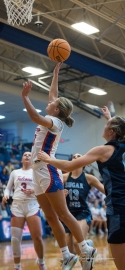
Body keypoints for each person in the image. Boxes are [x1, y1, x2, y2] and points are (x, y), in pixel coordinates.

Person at [22, 63, 97, 270]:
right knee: (50, 216)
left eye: (53, 102)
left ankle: (85, 247)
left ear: (56, 109)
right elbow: (53, 94)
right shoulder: (54, 116)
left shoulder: (55, 122)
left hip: (47, 169)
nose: (50, 100)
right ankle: (67, 255)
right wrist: (55, 73)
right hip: (37, 173)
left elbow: (35, 116)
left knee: (63, 214)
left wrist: (25, 97)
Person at [37, 106, 125, 270]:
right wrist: (110, 118)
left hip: (118, 205)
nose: (104, 127)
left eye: (107, 125)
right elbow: (121, 133)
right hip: (114, 203)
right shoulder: (122, 146)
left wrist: (49, 159)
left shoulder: (102, 150)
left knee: (119, 255)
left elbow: (69, 166)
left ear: (112, 131)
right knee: (72, 244)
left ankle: (86, 252)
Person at [3, 152, 45, 270]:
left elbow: (42, 190)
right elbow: (7, 189)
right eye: (25, 155)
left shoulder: (36, 172)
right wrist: (6, 195)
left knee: (37, 237)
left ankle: (41, 262)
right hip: (17, 205)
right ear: (21, 159)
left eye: (29, 155)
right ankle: (17, 266)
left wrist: (34, 190)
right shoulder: (15, 172)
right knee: (15, 239)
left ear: (32, 159)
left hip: (32, 205)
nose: (27, 156)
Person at [62, 153, 105, 255]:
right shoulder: (63, 177)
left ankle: (86, 264)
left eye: (79, 156)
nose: (76, 158)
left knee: (77, 242)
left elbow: (106, 190)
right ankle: (88, 244)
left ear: (84, 162)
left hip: (83, 212)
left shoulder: (89, 178)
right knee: (71, 251)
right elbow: (52, 195)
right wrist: (61, 196)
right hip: (68, 213)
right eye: (74, 157)